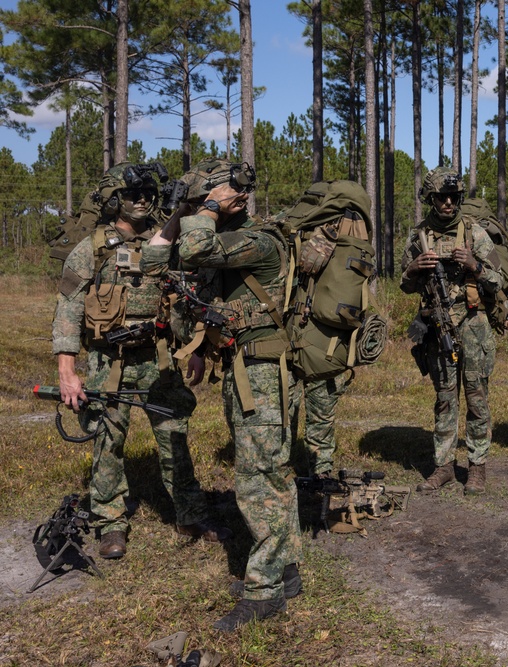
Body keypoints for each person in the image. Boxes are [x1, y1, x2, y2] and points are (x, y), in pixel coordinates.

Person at [147, 158, 302, 632]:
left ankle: (263, 591)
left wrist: (211, 206)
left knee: (259, 478)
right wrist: (181, 210)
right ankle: (283, 570)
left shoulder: (259, 239)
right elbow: (155, 260)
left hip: (263, 372)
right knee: (265, 471)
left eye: (211, 195)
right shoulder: (220, 238)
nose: (203, 205)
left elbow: (193, 250)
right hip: (242, 368)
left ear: (235, 195)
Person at [52, 162, 231, 561]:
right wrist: (68, 371)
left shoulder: (164, 242)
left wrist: (197, 350)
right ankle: (111, 522)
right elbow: (68, 309)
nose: (143, 199)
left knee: (174, 436)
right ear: (114, 199)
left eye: (147, 193)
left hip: (159, 357)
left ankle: (189, 513)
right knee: (107, 440)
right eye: (133, 194)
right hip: (107, 359)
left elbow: (187, 298)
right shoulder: (92, 248)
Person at [400, 168, 503, 496]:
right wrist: (414, 269)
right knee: (444, 400)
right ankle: (443, 466)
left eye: (453, 197)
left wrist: (474, 265)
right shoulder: (419, 236)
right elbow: (404, 283)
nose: (447, 202)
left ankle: (477, 468)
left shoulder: (475, 233)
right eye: (441, 197)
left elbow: (499, 280)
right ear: (430, 199)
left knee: (477, 400)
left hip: (473, 327)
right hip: (438, 327)